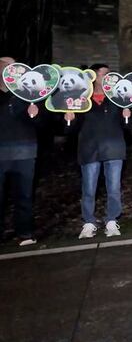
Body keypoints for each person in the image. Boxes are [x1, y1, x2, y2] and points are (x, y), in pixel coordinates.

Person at [66, 63, 131, 239]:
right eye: (104, 74)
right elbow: (69, 131)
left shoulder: (118, 97)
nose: (108, 77)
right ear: (94, 77)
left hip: (114, 149)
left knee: (114, 188)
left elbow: (128, 127)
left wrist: (126, 117)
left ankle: (112, 220)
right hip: (89, 150)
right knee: (88, 188)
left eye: (109, 74)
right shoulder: (81, 98)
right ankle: (88, 222)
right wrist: (69, 119)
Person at [0, 56, 42, 246]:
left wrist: (34, 115)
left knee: (24, 195)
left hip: (26, 152)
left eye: (13, 66)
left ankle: (25, 233)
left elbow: (42, 124)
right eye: (5, 66)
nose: (9, 69)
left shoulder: (29, 94)